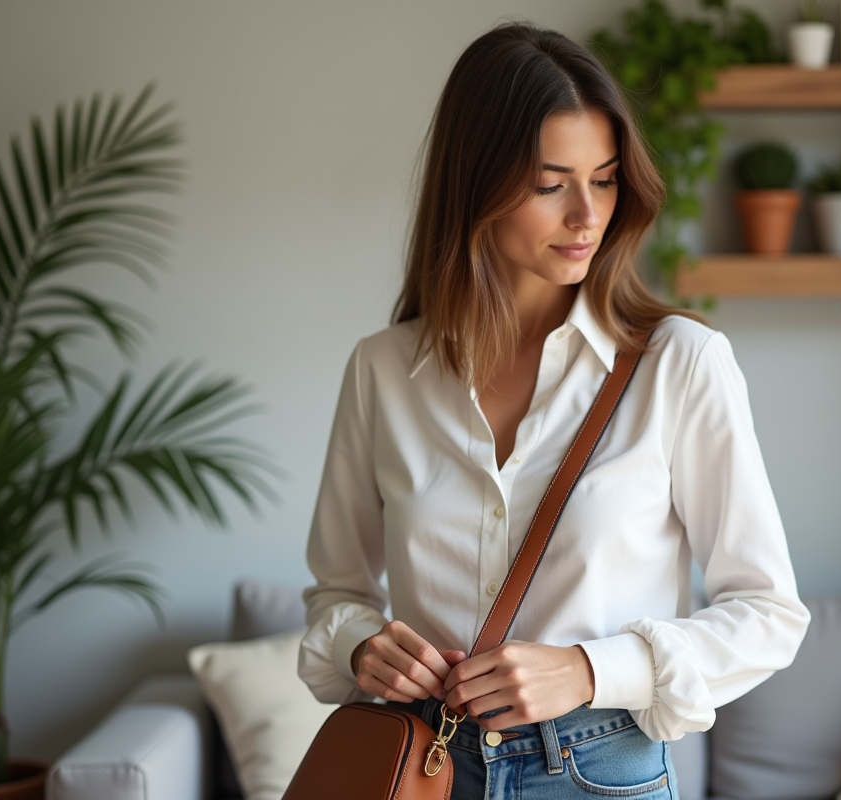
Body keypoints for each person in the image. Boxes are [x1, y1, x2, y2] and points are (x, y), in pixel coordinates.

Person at [297, 21, 811, 800]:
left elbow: (770, 613)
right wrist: (361, 645)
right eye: (550, 185)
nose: (587, 216)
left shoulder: (679, 364)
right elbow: (336, 594)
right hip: (427, 769)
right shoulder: (383, 370)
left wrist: (589, 669)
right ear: (476, 184)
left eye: (604, 179)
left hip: (599, 770)